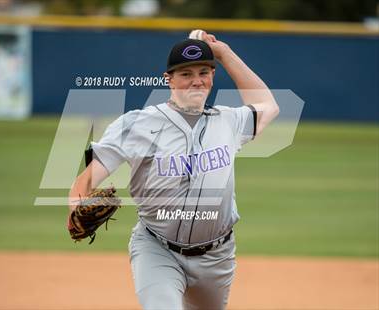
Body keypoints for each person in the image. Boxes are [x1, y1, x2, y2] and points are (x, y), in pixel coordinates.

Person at [68, 31, 279, 309]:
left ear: (213, 76)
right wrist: (74, 210)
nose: (196, 81)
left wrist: (225, 54)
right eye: (185, 74)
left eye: (204, 72)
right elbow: (86, 180)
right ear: (168, 79)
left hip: (217, 257)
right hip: (157, 249)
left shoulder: (229, 121)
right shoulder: (137, 125)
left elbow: (269, 106)